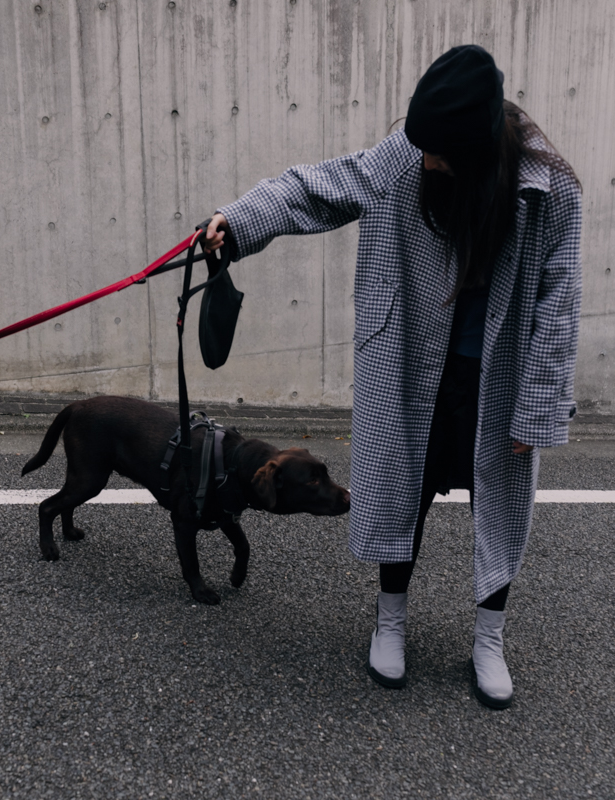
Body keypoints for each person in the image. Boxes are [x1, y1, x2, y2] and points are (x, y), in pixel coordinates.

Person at [202, 44, 582, 709]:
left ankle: (489, 639)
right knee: (402, 492)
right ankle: (390, 622)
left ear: (474, 150)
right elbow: (319, 186)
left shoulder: (549, 190)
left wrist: (538, 409)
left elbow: (559, 303)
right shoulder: (409, 155)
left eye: (439, 154)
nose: (425, 160)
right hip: (407, 361)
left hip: (498, 377)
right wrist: (237, 222)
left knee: (501, 504)